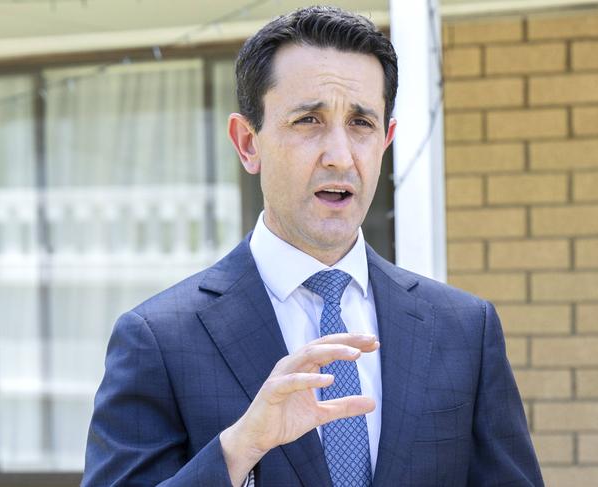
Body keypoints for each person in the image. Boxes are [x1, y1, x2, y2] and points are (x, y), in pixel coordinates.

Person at [82, 6, 543, 487]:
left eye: (361, 124)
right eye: (308, 120)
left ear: (386, 142)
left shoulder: (465, 330)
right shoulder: (158, 340)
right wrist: (239, 449)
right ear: (248, 143)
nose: (340, 156)